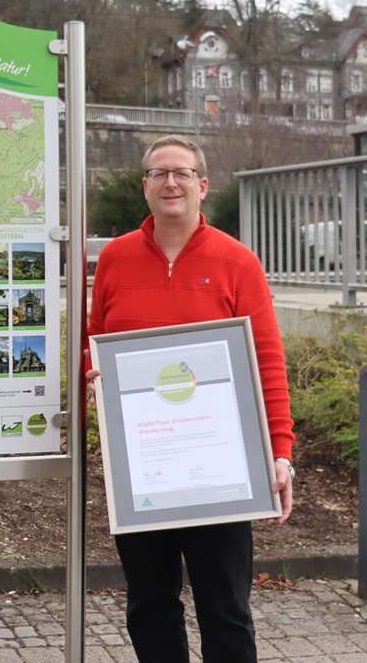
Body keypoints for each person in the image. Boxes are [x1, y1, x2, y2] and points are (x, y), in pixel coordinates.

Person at [87, 134, 294, 663]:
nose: (170, 182)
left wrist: (280, 452)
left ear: (202, 185)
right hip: (144, 465)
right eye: (160, 174)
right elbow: (95, 341)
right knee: (150, 603)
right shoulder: (114, 258)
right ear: (146, 187)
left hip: (220, 466)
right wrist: (95, 378)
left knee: (224, 606)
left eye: (181, 173)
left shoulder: (237, 262)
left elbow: (266, 361)